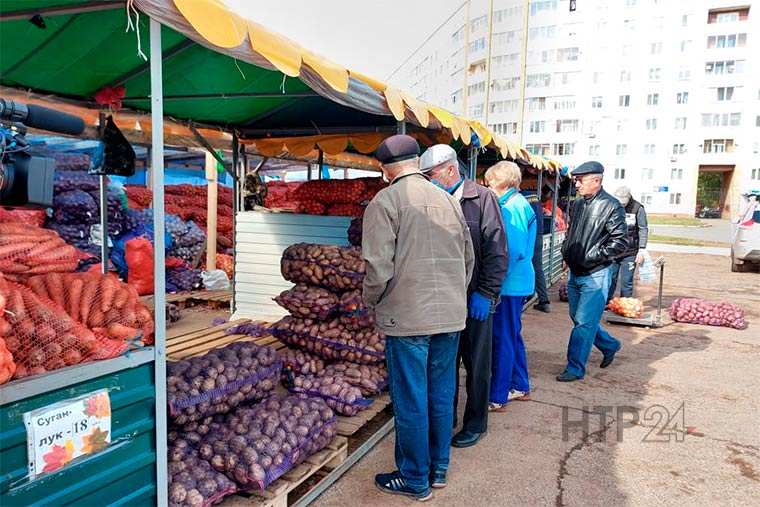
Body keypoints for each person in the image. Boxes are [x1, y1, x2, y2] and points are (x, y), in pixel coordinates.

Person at [363, 135, 474, 501]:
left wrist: (370, 301)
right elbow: (468, 259)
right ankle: (437, 469)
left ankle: (414, 478)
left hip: (407, 318)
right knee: (441, 394)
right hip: (450, 316)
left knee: (411, 398)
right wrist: (454, 296)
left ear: (385, 169)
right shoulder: (447, 199)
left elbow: (378, 267)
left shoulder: (386, 201)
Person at [420, 144, 508, 448]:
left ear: (450, 169)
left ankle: (476, 423)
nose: (428, 181)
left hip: (475, 300)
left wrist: (485, 293)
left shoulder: (482, 199)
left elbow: (497, 250)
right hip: (444, 299)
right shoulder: (433, 199)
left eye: (430, 175)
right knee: (445, 365)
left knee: (476, 365)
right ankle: (447, 420)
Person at [558, 161, 628, 382]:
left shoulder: (611, 206)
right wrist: (566, 253)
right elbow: (572, 233)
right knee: (578, 318)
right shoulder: (579, 204)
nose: (576, 184)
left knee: (584, 322)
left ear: (596, 181)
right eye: (576, 180)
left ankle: (575, 367)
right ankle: (610, 345)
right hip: (576, 271)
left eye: (581, 180)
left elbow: (620, 242)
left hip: (596, 274)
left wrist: (593, 256)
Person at [483, 162, 536, 411]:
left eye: (491, 182)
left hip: (509, 285)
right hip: (516, 282)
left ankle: (498, 395)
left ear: (503, 182)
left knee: (502, 339)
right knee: (512, 336)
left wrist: (493, 283)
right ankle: (520, 385)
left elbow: (512, 251)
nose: (488, 186)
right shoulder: (517, 203)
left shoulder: (512, 207)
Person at [608, 186, 649, 301]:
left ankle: (625, 304)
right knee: (610, 279)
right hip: (613, 250)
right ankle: (605, 303)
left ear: (629, 198)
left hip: (630, 252)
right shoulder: (611, 205)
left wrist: (642, 250)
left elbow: (643, 229)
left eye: (623, 204)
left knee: (627, 281)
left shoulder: (638, 208)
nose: (621, 206)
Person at [527, 189, 550, 313]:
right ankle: (543, 299)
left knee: (528, 265)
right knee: (537, 268)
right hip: (539, 234)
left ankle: (534, 296)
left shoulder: (520, 198)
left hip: (530, 235)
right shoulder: (535, 197)